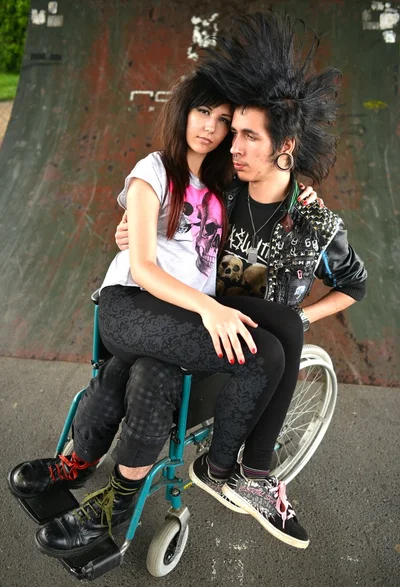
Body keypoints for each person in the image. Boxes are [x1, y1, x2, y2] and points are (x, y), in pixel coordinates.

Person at [8, 12, 366, 556]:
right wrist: (203, 302)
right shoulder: (159, 171)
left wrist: (304, 201)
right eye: (207, 114)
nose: (217, 130)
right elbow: (146, 253)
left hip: (176, 323)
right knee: (253, 352)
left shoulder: (223, 187)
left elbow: (290, 227)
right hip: (141, 304)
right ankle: (220, 470)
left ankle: (202, 482)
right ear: (184, 114)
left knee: (263, 336)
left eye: (228, 123)